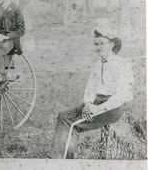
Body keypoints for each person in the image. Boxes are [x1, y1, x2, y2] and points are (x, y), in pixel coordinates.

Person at [48, 22, 134, 159]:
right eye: (96, 44)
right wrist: (88, 104)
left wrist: (98, 109)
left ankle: (60, 161)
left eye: (102, 43)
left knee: (73, 124)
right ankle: (62, 159)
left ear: (111, 44)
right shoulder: (97, 64)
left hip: (113, 107)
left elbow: (122, 95)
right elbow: (90, 88)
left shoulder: (122, 64)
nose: (99, 47)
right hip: (95, 102)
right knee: (63, 115)